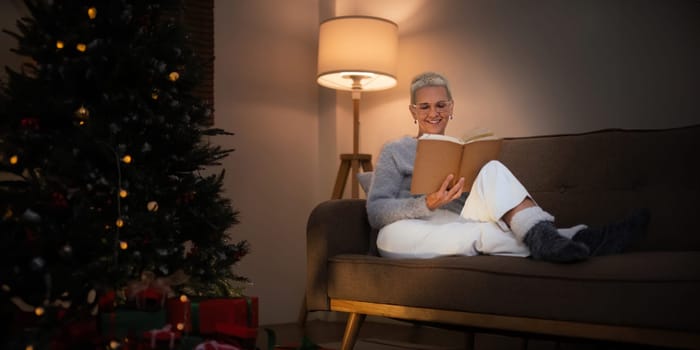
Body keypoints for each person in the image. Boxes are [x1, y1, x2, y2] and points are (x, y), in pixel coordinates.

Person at [366, 71, 649, 263]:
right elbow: (375, 212)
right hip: (407, 230)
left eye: (441, 105)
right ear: (413, 112)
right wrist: (426, 203)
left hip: (457, 220)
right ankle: (581, 237)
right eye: (424, 107)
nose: (433, 113)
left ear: (451, 108)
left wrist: (463, 188)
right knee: (405, 236)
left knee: (492, 169)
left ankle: (553, 239)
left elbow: (473, 207)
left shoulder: (461, 149)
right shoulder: (395, 150)